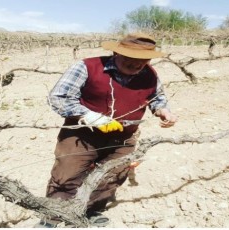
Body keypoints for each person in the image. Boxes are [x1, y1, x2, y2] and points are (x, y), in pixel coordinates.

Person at [36, 33, 177, 227]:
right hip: (81, 135)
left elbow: (157, 97)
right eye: (131, 59)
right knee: (66, 175)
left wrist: (163, 111)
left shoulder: (149, 74)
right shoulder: (87, 67)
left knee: (112, 175)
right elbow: (59, 97)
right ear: (116, 53)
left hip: (124, 138)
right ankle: (52, 218)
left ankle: (92, 210)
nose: (137, 65)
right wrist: (91, 117)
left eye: (143, 61)